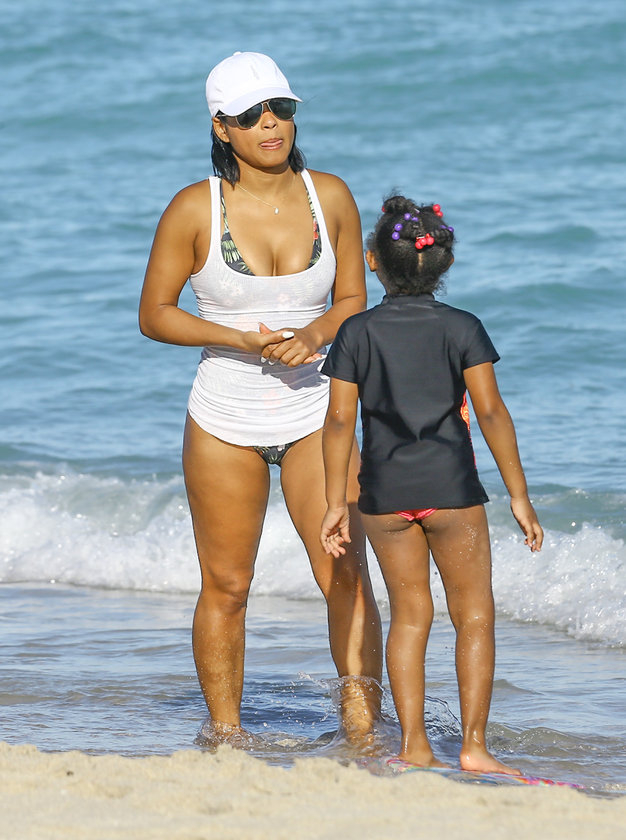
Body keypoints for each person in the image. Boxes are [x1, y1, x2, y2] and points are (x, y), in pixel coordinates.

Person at [139, 51, 382, 743]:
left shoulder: (329, 195)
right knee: (227, 586)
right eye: (251, 115)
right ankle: (227, 735)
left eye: (281, 108)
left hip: (318, 413)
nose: (270, 123)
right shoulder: (195, 207)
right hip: (223, 416)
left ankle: (362, 730)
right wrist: (240, 339)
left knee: (344, 573)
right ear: (222, 127)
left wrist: (316, 334)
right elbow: (155, 313)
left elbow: (353, 298)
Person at [320, 195, 543, 773]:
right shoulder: (462, 327)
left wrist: (334, 502)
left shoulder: (355, 332)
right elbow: (490, 412)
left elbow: (339, 420)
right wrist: (519, 495)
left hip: (384, 497)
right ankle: (474, 748)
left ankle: (414, 747)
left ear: (372, 261)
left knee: (409, 617)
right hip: (452, 491)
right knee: (474, 617)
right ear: (445, 263)